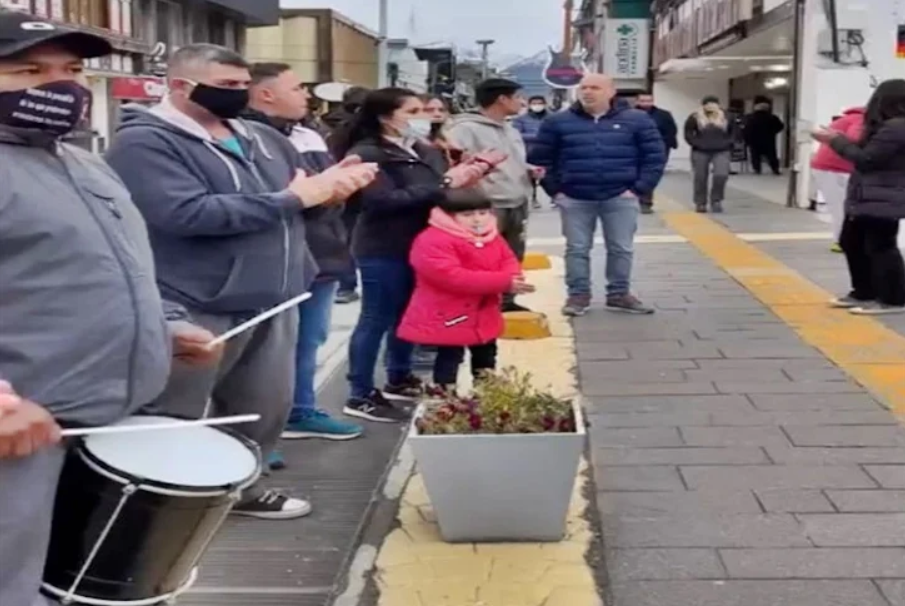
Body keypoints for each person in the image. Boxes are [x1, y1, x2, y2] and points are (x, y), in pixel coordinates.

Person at [0, 13, 223, 605]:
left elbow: (119, 267)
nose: (60, 85)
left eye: (71, 69)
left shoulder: (81, 161)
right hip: (15, 437)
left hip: (97, 427)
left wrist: (165, 326)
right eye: (28, 70)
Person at [105, 44, 374, 520]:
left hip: (274, 296)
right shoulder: (145, 142)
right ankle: (160, 505)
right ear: (179, 86)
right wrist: (293, 198)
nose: (238, 95)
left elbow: (296, 200)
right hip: (196, 301)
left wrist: (331, 190)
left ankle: (243, 489)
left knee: (262, 407)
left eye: (242, 85)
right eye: (225, 86)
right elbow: (184, 212)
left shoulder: (259, 136)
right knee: (176, 409)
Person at [331, 88, 491, 422]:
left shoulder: (421, 149)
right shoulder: (369, 153)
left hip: (425, 245)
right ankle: (359, 392)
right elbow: (383, 201)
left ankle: (399, 376)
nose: (423, 116)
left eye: (425, 109)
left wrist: (466, 176)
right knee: (377, 318)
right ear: (385, 116)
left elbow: (438, 192)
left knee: (409, 316)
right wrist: (447, 180)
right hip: (384, 246)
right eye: (413, 110)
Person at [244, 62, 368, 442]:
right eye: (297, 88)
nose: (307, 95)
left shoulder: (309, 135)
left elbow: (321, 197)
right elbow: (267, 200)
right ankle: (259, 433)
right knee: (264, 352)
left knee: (309, 340)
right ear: (267, 94)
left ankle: (300, 410)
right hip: (274, 259)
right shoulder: (245, 136)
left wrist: (340, 185)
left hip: (323, 252)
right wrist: (321, 192)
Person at [529, 73, 666, 317]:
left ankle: (619, 294)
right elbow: (541, 160)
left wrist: (638, 189)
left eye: (595, 87)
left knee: (621, 248)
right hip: (574, 197)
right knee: (577, 248)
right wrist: (555, 191)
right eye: (584, 87)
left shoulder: (637, 120)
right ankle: (578, 295)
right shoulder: (557, 122)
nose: (588, 92)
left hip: (620, 197)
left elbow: (654, 157)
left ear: (611, 92)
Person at [397, 189, 533, 392]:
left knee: (486, 354)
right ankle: (445, 397)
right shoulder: (432, 240)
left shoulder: (490, 235)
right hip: (450, 311)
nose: (477, 219)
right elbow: (452, 277)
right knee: (450, 354)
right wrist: (503, 281)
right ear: (448, 216)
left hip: (483, 310)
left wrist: (512, 276)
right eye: (467, 215)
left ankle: (487, 395)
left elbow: (507, 258)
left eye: (482, 213)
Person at [812, 79, 905, 315]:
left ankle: (893, 299)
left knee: (881, 246)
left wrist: (835, 141)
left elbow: (867, 159)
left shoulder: (896, 127)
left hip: (884, 195)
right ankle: (864, 292)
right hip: (869, 193)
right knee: (851, 241)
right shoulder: (889, 126)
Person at [447, 78, 537, 312]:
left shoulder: (510, 128)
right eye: (518, 97)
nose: (522, 103)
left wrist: (528, 170)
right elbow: (456, 164)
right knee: (482, 256)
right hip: (487, 203)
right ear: (502, 99)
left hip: (517, 199)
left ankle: (506, 301)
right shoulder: (464, 128)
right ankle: (480, 302)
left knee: (512, 254)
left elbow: (512, 161)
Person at [330, 86, 372, 305]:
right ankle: (349, 285)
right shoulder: (369, 130)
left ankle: (346, 285)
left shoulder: (336, 126)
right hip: (369, 186)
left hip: (345, 187)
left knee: (345, 237)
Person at [811, 106, 865, 252]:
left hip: (828, 166)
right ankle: (841, 241)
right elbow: (855, 138)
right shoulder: (860, 120)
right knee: (841, 207)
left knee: (841, 206)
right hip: (835, 167)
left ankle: (844, 239)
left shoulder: (847, 118)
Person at [684, 95, 735, 213]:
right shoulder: (695, 116)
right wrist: (695, 143)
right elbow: (688, 132)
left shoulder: (727, 116)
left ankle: (716, 200)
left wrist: (729, 143)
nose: (710, 106)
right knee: (700, 177)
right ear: (703, 105)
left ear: (718, 105)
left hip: (722, 150)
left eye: (713, 103)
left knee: (721, 174)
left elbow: (734, 132)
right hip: (700, 150)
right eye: (707, 103)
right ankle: (700, 202)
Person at [634, 92, 678, 214]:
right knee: (635, 174)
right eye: (643, 101)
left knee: (650, 174)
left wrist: (664, 145)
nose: (646, 103)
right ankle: (636, 198)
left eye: (649, 101)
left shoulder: (663, 115)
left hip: (657, 149)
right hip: (635, 149)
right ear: (637, 101)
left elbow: (671, 131)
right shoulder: (628, 115)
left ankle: (646, 202)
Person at [744, 96, 784, 175]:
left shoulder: (750, 118)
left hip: (754, 140)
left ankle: (757, 169)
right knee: (771, 155)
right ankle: (775, 169)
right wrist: (773, 132)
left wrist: (747, 140)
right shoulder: (772, 117)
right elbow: (781, 126)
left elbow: (746, 129)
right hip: (769, 139)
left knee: (755, 155)